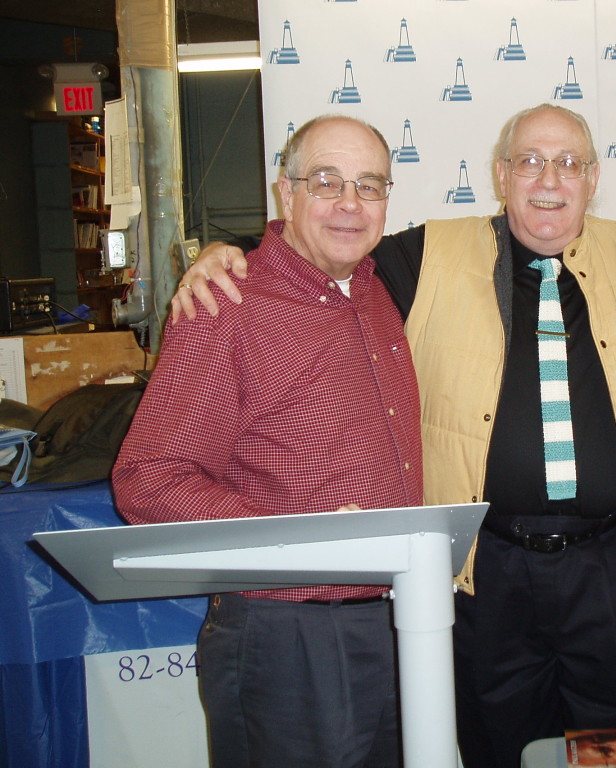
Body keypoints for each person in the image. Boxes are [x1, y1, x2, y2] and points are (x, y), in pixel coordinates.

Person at [172, 104, 616, 767]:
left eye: (569, 164)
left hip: (612, 569)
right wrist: (227, 251)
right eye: (530, 162)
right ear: (501, 175)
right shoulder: (424, 255)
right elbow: (322, 249)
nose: (550, 181)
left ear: (594, 180)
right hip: (488, 573)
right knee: (498, 746)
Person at [112, 115, 422, 768]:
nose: (349, 203)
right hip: (288, 633)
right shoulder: (226, 302)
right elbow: (149, 478)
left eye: (369, 185)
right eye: (327, 181)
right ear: (286, 192)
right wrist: (304, 534)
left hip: (393, 618)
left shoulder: (373, 290)